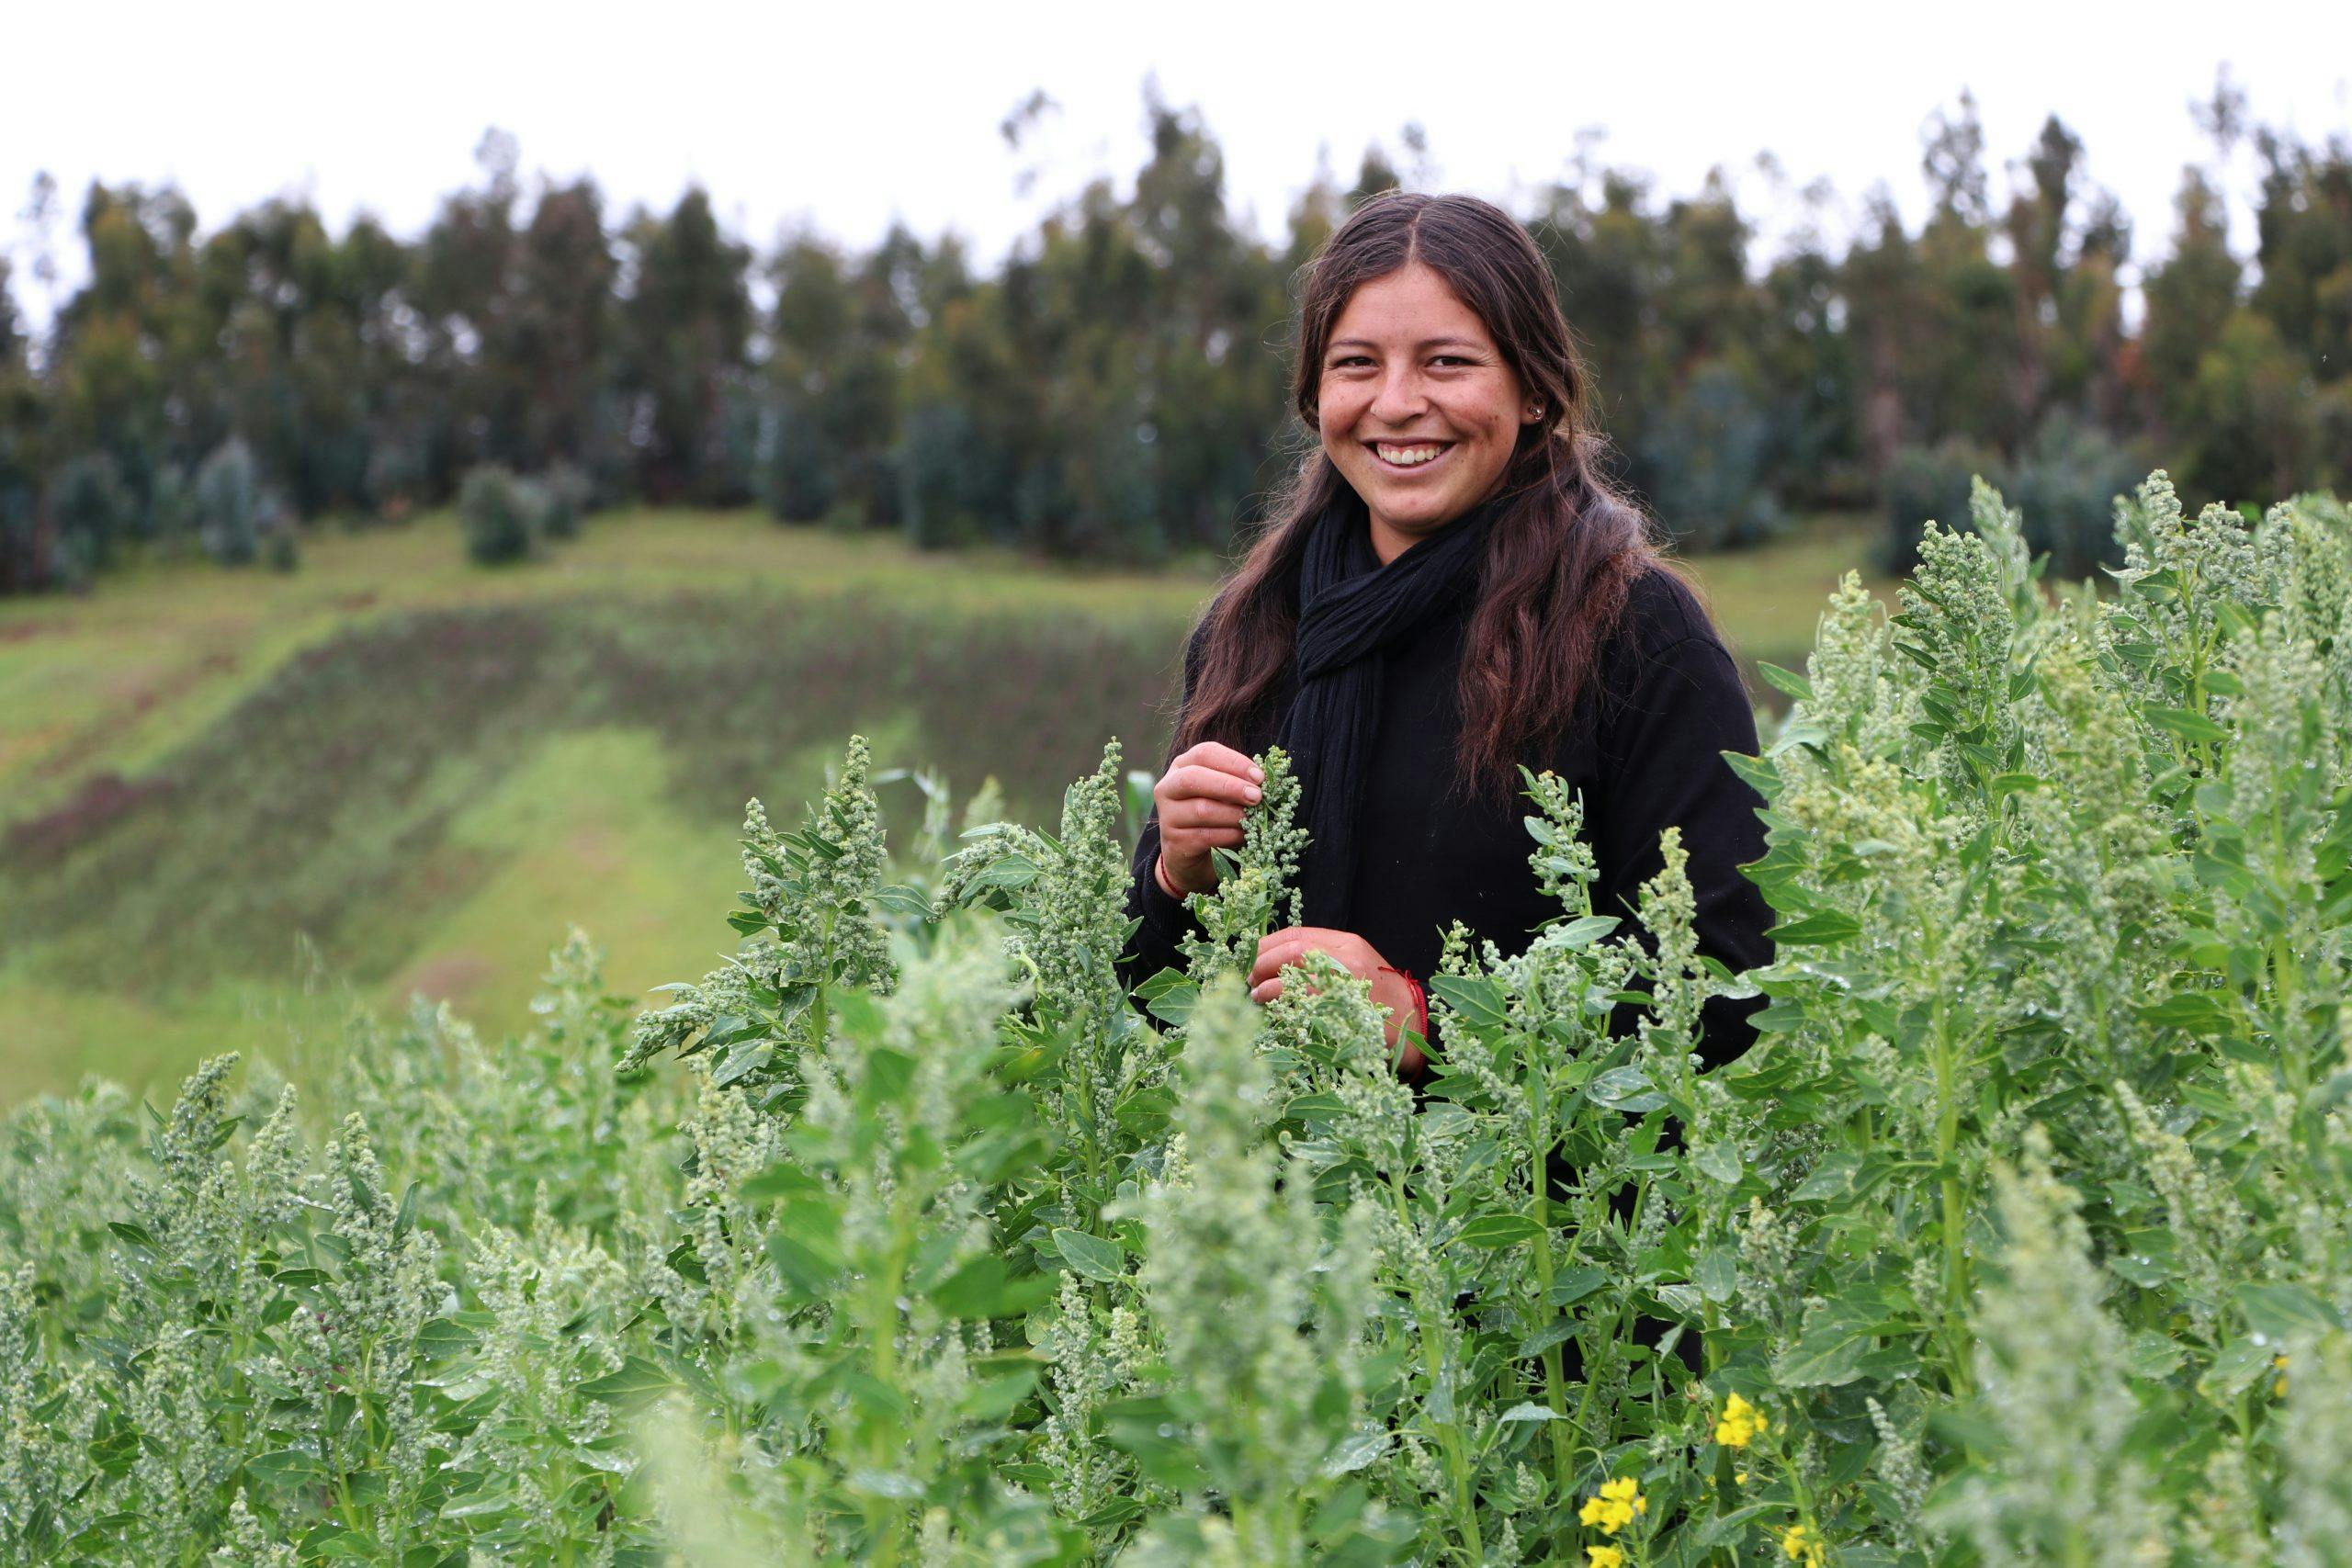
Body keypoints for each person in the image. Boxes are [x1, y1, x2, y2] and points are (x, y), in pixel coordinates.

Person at [1114, 190, 1774, 1078]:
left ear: (1535, 389)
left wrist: (1429, 1023)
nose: (1396, 402)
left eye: (1448, 362)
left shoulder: (1635, 635)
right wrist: (1171, 884)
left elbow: (1724, 997)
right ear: (1315, 395)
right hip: (1277, 1207)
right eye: (1356, 363)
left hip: (1532, 1214)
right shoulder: (1255, 629)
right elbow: (1145, 1006)